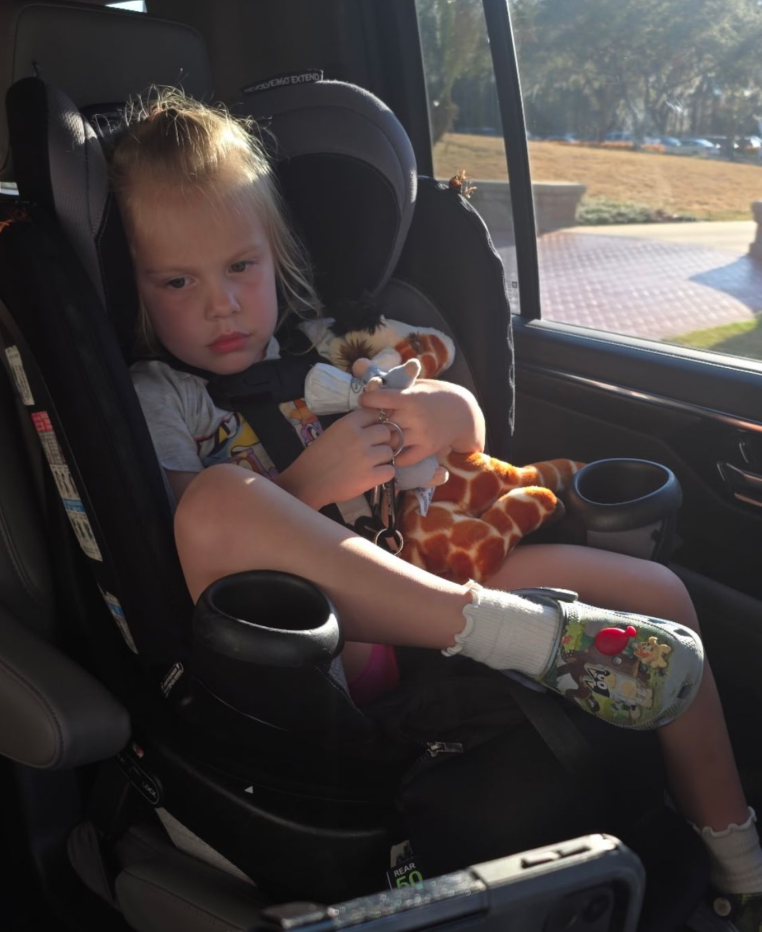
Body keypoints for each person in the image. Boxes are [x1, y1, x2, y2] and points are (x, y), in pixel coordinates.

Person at [108, 89, 760, 930]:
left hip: (422, 572)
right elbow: (178, 539)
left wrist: (446, 412)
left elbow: (466, 436)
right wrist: (312, 479)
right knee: (217, 500)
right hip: (307, 642)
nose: (220, 304)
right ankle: (521, 636)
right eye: (176, 281)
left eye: (240, 267)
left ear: (275, 257)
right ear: (136, 290)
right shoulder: (160, 395)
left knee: (657, 594)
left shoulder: (331, 351)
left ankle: (737, 865)